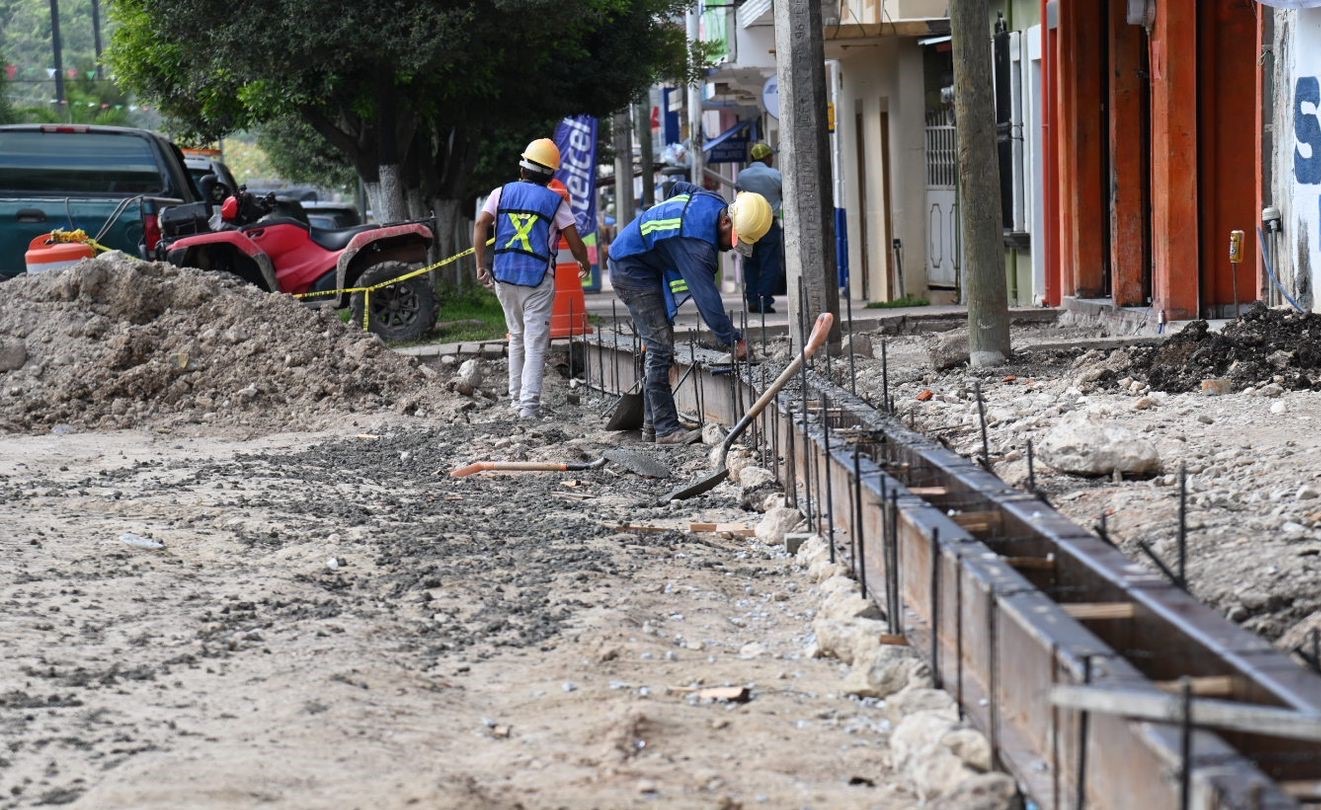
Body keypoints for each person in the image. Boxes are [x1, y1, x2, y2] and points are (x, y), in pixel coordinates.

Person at [608, 181, 774, 444]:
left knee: (656, 345)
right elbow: (707, 300)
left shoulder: (713, 201)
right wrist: (734, 339)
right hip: (631, 270)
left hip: (644, 264)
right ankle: (665, 429)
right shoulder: (696, 244)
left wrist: (661, 220)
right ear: (726, 224)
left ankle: (652, 426)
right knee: (661, 348)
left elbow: (676, 187)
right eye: (734, 242)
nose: (732, 248)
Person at [473, 138, 591, 420]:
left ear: (522, 167)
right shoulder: (555, 201)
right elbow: (575, 241)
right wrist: (584, 262)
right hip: (537, 280)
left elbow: (481, 224)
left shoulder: (500, 193)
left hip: (504, 274)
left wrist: (480, 264)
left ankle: (516, 398)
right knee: (536, 341)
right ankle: (528, 406)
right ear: (551, 174)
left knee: (516, 335)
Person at [735, 142, 784, 313]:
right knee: (770, 263)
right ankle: (765, 300)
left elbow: (739, 194)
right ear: (767, 157)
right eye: (771, 156)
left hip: (747, 225)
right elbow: (784, 194)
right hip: (769, 225)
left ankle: (753, 300)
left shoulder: (742, 176)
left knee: (750, 263)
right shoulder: (775, 175)